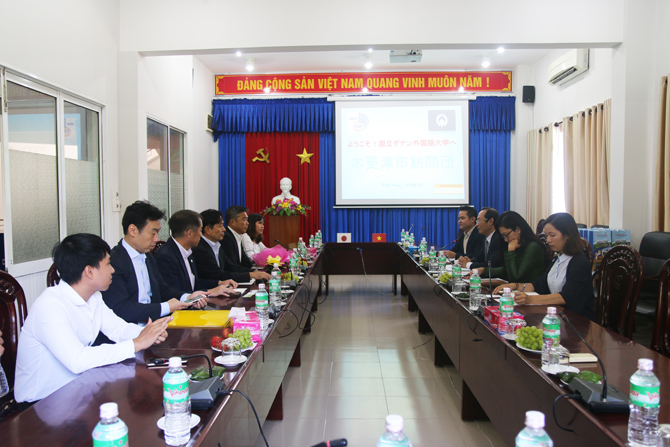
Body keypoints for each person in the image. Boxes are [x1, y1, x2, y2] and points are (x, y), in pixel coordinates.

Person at [14, 233, 172, 403]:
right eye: (108, 264)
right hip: (40, 404)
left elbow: (117, 329)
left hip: (76, 392)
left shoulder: (93, 297)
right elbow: (77, 360)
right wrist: (137, 343)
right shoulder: (50, 306)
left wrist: (147, 333)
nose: (112, 270)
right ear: (89, 271)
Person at [102, 201, 208, 325]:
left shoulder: (147, 256)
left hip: (155, 326)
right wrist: (166, 307)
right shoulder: (114, 262)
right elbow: (121, 308)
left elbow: (162, 289)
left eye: (157, 233)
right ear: (133, 230)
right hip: (131, 330)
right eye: (153, 233)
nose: (156, 239)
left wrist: (187, 297)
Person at [506, 212, 596, 320]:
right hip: (556, 316)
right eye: (547, 235)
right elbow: (537, 285)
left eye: (552, 235)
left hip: (576, 321)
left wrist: (530, 299)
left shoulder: (579, 262)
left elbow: (566, 297)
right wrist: (514, 286)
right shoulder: (558, 259)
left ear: (567, 235)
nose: (548, 240)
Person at [154, 209, 237, 295]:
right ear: (189, 233)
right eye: (200, 230)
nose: (201, 235)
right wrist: (209, 292)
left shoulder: (188, 251)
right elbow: (174, 294)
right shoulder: (166, 256)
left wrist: (219, 283)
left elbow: (194, 284)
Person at [192, 209, 271, 283]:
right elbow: (218, 275)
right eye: (220, 226)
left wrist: (254, 272)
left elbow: (231, 267)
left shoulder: (217, 245)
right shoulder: (200, 249)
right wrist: (250, 275)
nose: (224, 229)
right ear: (208, 230)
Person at [473, 211, 548, 284]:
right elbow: (506, 269)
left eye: (506, 235)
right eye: (503, 236)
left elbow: (515, 278)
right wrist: (483, 270)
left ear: (518, 229)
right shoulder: (519, 244)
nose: (505, 240)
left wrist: (511, 251)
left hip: (530, 291)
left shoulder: (533, 247)